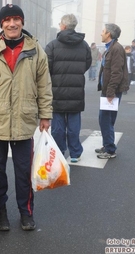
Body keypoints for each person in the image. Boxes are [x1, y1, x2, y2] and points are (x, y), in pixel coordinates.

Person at [0, 4, 52, 231]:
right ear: (2, 24)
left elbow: (44, 86)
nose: (12, 23)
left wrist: (45, 114)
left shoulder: (36, 50)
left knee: (24, 172)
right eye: (7, 20)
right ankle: (0, 212)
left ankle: (26, 212)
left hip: (24, 122)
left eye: (16, 19)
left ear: (22, 23)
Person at [45, 14, 91, 163]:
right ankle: (75, 152)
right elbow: (87, 64)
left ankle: (59, 152)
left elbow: (46, 67)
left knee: (58, 127)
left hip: (57, 90)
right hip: (76, 90)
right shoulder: (84, 45)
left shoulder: (52, 45)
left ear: (63, 26)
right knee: (74, 125)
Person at [95, 23, 129, 159]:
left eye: (103, 31)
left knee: (105, 119)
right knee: (106, 119)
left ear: (109, 34)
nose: (101, 33)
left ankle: (110, 150)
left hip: (111, 91)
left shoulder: (116, 49)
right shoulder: (110, 48)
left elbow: (117, 73)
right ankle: (107, 144)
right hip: (109, 90)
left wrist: (110, 92)